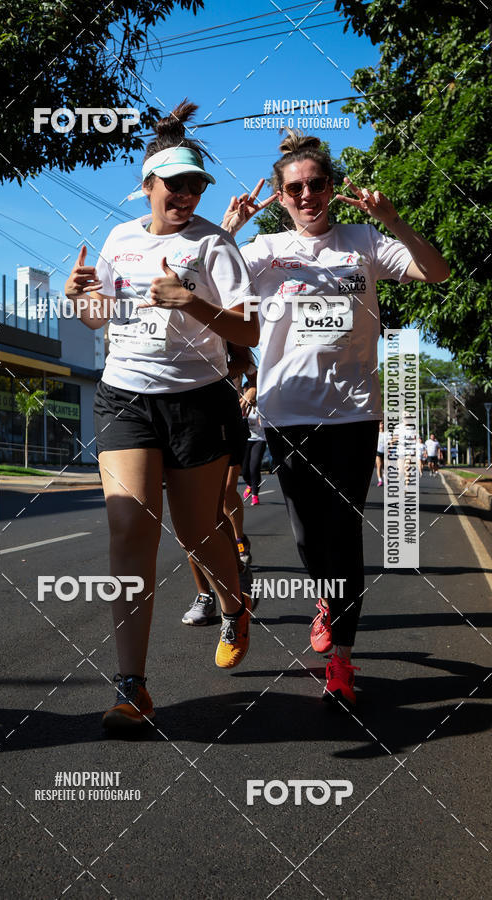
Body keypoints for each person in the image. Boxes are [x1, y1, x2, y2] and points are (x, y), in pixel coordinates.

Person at [222, 131, 450, 706]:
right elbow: (205, 287)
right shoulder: (263, 250)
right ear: (279, 195)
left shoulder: (364, 242)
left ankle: (342, 663)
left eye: (316, 184)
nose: (306, 195)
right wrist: (229, 232)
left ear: (332, 187)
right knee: (306, 533)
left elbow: (437, 272)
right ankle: (327, 598)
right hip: (285, 412)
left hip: (351, 413)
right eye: (294, 188)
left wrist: (394, 219)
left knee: (344, 532)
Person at [65, 101, 259, 731]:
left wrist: (190, 301)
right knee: (129, 531)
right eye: (174, 184)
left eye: (195, 184)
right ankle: (132, 686)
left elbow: (249, 328)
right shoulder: (120, 239)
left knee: (197, 531)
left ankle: (234, 605)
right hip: (124, 396)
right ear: (147, 185)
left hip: (197, 400)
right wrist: (81, 301)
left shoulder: (216, 243)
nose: (185, 194)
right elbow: (102, 321)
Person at [181, 343, 256, 626]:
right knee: (192, 517)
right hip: (181, 422)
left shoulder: (218, 317)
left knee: (219, 500)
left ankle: (237, 563)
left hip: (225, 423)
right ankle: (205, 595)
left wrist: (249, 391)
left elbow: (251, 368)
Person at [242, 407, 267, 505]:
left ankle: (255, 495)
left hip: (260, 439)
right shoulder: (243, 403)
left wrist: (262, 419)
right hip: (247, 439)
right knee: (244, 470)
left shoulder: (260, 404)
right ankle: (250, 484)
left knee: (254, 467)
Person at [375, 421, 388, 486]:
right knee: (379, 465)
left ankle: (385, 478)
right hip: (378, 451)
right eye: (380, 423)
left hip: (385, 451)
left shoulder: (386, 433)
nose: (381, 425)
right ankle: (380, 480)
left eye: (383, 423)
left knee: (384, 467)